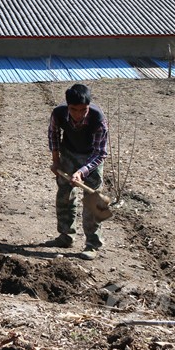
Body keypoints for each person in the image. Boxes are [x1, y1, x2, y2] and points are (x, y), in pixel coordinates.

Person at [46, 83, 109, 260]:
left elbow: (100, 153)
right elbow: (53, 134)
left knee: (93, 201)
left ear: (88, 105)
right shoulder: (58, 113)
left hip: (91, 157)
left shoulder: (98, 120)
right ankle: (66, 236)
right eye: (74, 109)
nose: (78, 114)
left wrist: (81, 172)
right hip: (68, 153)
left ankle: (92, 244)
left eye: (83, 110)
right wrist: (56, 161)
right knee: (64, 195)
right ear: (68, 106)